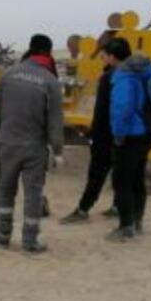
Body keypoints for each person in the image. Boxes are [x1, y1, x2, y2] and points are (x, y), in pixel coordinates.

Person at [0, 34, 64, 253]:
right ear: (48, 53)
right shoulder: (51, 81)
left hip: (7, 144)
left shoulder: (8, 75)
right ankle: (30, 240)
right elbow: (55, 121)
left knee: (5, 190)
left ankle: (2, 235)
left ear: (30, 49)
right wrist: (57, 150)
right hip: (34, 147)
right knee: (33, 194)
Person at [60, 42, 119, 224]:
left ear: (111, 56)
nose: (101, 59)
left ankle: (83, 209)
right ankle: (119, 206)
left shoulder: (109, 77)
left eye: (103, 56)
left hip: (106, 134)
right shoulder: (134, 76)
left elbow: (102, 110)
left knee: (97, 172)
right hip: (126, 134)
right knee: (122, 172)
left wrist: (91, 132)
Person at [106, 38, 151, 241]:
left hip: (130, 134)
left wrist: (118, 134)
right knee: (137, 179)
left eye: (105, 55)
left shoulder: (124, 77)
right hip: (145, 132)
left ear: (112, 56)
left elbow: (121, 108)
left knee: (121, 181)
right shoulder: (142, 72)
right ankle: (137, 220)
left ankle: (126, 227)